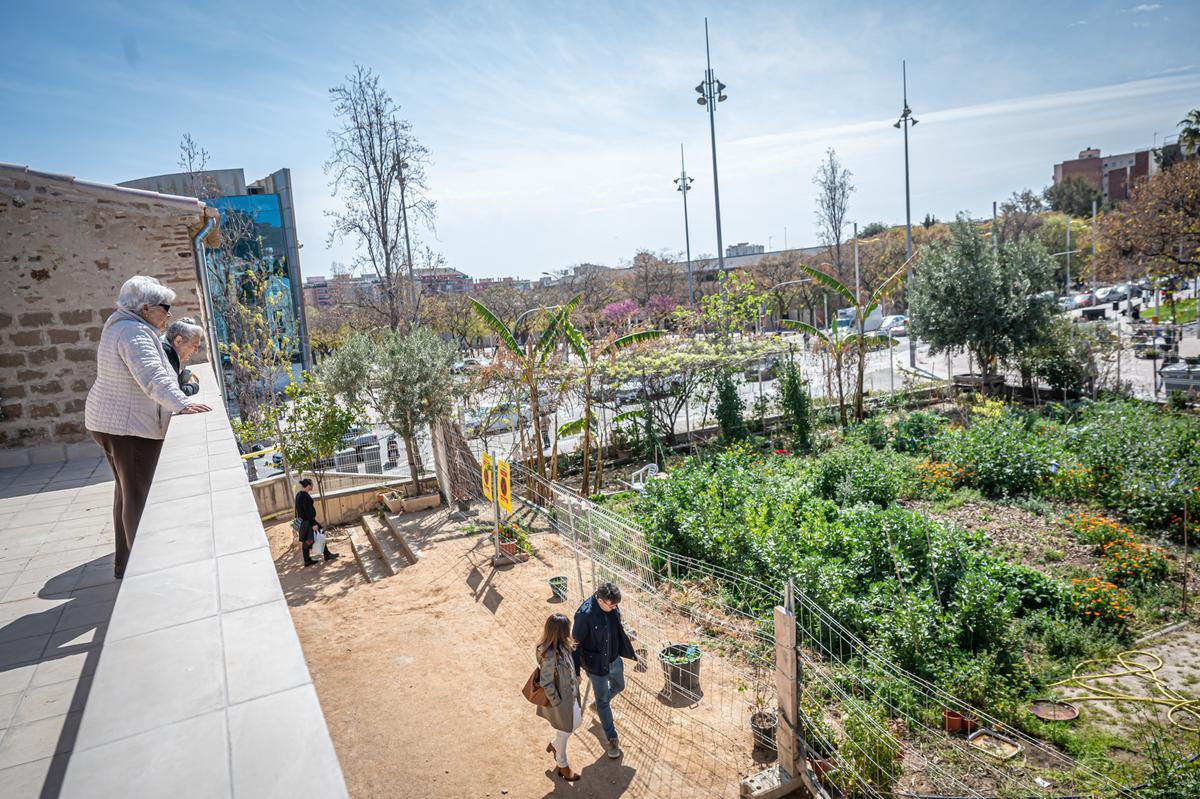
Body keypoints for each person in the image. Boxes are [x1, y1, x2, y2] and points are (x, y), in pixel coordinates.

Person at [85, 275, 211, 579]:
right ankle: (146, 574)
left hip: (111, 423)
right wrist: (180, 403)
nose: (168, 315)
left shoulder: (123, 325)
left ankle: (126, 565)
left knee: (126, 493)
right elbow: (153, 375)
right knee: (139, 495)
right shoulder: (134, 333)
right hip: (128, 428)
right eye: (164, 308)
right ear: (145, 307)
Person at [572, 581, 637, 759]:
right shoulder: (584, 616)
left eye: (617, 604)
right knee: (603, 701)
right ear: (600, 600)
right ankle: (611, 737)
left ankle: (599, 706)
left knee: (619, 687)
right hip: (596, 666)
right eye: (612, 604)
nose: (615, 607)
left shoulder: (612, 607)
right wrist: (576, 672)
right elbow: (575, 645)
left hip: (614, 660)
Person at [536, 613, 582, 782]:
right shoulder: (549, 655)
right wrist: (557, 702)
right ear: (560, 632)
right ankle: (562, 764)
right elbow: (546, 682)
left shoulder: (564, 645)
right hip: (562, 700)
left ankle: (555, 745)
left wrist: (575, 676)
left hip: (571, 695)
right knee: (567, 729)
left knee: (574, 724)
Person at [294, 478, 339, 567]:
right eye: (312, 484)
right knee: (313, 536)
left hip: (302, 521)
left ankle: (309, 559)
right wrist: (313, 524)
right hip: (308, 521)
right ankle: (326, 555)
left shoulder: (298, 495)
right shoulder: (305, 496)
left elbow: (298, 510)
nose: (313, 486)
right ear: (308, 485)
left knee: (309, 538)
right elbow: (308, 512)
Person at [162, 317, 204, 396]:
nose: (196, 351)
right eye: (194, 346)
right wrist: (194, 386)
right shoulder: (167, 352)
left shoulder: (165, 348)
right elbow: (173, 394)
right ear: (178, 341)